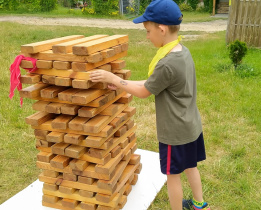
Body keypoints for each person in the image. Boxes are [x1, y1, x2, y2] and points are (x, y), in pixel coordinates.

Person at [90, 0, 210, 209]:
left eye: (147, 30)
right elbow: (154, 84)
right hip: (191, 126)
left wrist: (116, 79)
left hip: (174, 133)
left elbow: (145, 91)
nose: (146, 36)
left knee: (172, 176)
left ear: (161, 29)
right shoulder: (182, 52)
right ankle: (200, 205)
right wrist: (120, 84)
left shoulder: (166, 64)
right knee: (191, 166)